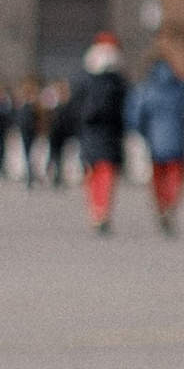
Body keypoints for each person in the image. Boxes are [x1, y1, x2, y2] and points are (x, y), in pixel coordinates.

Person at [129, 46, 184, 235]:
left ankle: (161, 206)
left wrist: (143, 133)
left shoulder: (146, 89)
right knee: (176, 175)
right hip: (177, 141)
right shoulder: (180, 88)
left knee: (158, 177)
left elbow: (135, 115)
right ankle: (171, 205)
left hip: (154, 142)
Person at [68, 34, 129, 235]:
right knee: (106, 172)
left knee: (93, 173)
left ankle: (96, 211)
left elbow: (74, 106)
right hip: (109, 133)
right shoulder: (118, 81)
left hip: (90, 133)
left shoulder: (85, 78)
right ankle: (102, 211)